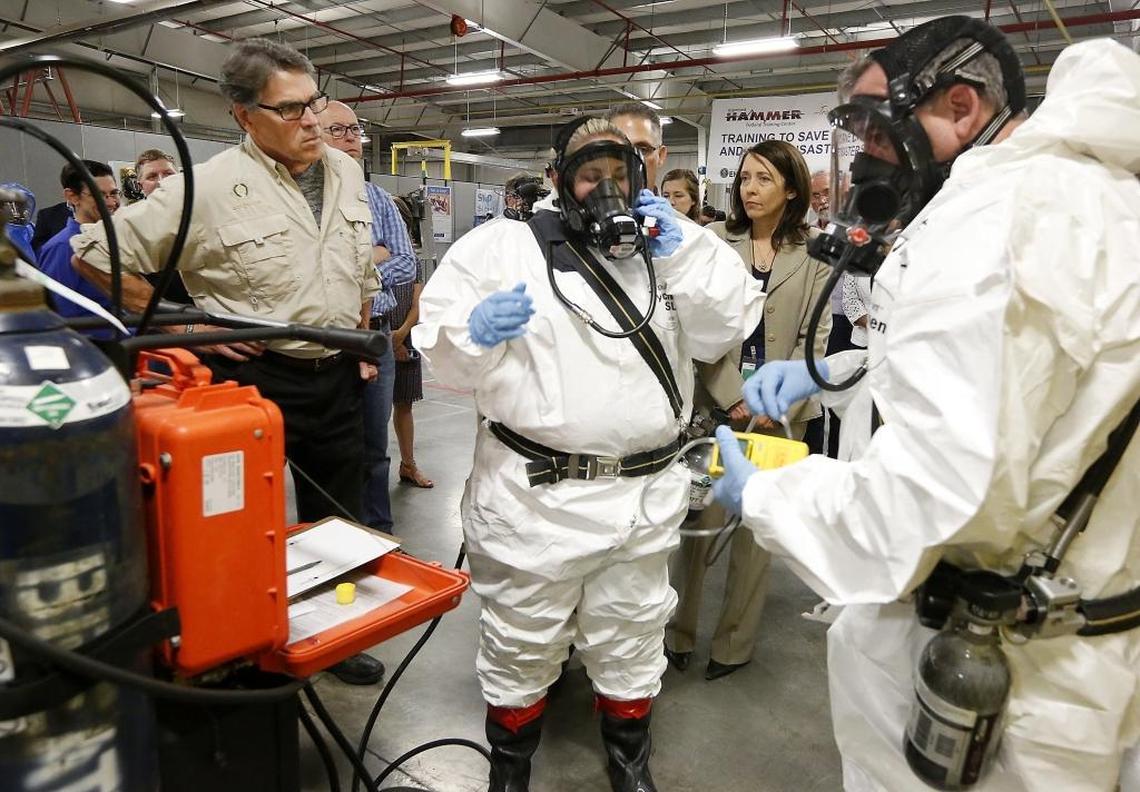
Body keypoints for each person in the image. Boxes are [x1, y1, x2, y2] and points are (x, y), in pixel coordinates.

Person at [711, 18, 1140, 792]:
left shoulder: (993, 219)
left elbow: (926, 504)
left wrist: (772, 493)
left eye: (879, 128)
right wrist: (838, 368)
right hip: (1089, 640)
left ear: (962, 106)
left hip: (1000, 675)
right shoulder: (1106, 198)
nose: (871, 156)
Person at [413, 115, 764, 792]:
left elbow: (723, 328)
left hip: (642, 496)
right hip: (533, 498)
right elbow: (444, 357)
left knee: (631, 633)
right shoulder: (501, 248)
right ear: (558, 180)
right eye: (590, 174)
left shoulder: (672, 246)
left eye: (623, 173)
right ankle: (509, 769)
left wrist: (683, 248)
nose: (608, 188)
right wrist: (473, 335)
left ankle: (629, 757)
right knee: (521, 638)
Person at [71, 37, 380, 536]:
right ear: (244, 116)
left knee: (342, 528)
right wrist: (190, 323)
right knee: (233, 530)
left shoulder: (345, 168)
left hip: (339, 380)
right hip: (253, 381)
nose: (311, 120)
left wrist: (361, 332)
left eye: (314, 102)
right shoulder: (205, 188)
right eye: (290, 108)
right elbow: (91, 254)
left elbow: (356, 260)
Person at [665, 140, 832, 680]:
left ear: (791, 187)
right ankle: (678, 634)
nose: (750, 188)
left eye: (763, 178)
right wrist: (734, 396)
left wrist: (779, 404)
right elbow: (696, 330)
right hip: (717, 409)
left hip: (781, 418)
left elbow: (816, 341)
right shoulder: (715, 241)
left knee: (759, 535)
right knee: (698, 530)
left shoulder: (815, 252)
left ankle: (732, 646)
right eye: (743, 178)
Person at [319, 100, 416, 539]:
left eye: (355, 131)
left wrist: (355, 269)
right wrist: (370, 256)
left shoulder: (377, 199)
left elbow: (407, 264)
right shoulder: (303, 200)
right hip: (321, 343)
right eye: (338, 130)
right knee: (323, 449)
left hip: (373, 338)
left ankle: (378, 534)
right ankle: (329, 535)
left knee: (374, 449)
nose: (351, 139)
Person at [39, 161, 120, 332]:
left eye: (114, 193)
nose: (111, 202)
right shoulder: (62, 248)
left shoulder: (114, 241)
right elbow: (60, 316)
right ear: (72, 197)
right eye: (99, 195)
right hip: (100, 350)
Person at [387, 195, 432, 489]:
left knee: (404, 406)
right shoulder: (367, 255)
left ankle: (408, 465)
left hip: (404, 338)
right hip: (375, 339)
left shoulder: (412, 260)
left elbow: (418, 305)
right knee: (372, 412)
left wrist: (401, 335)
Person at [0, 181, 37, 263]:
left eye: (21, 206)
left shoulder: (30, 229)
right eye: (11, 206)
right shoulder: (3, 231)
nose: (17, 212)